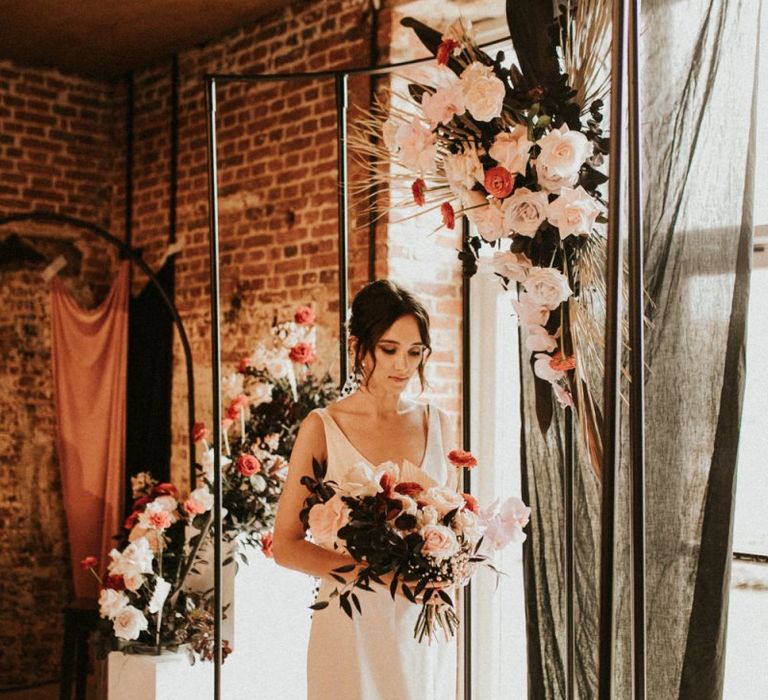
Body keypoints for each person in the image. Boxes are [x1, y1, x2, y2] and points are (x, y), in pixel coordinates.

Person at [273, 279, 457, 700]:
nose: (403, 365)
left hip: (419, 625)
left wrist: (451, 563)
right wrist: (377, 576)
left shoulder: (439, 424)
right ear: (359, 346)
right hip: (350, 620)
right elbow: (284, 545)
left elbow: (453, 523)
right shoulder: (323, 427)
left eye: (415, 352)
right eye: (389, 349)